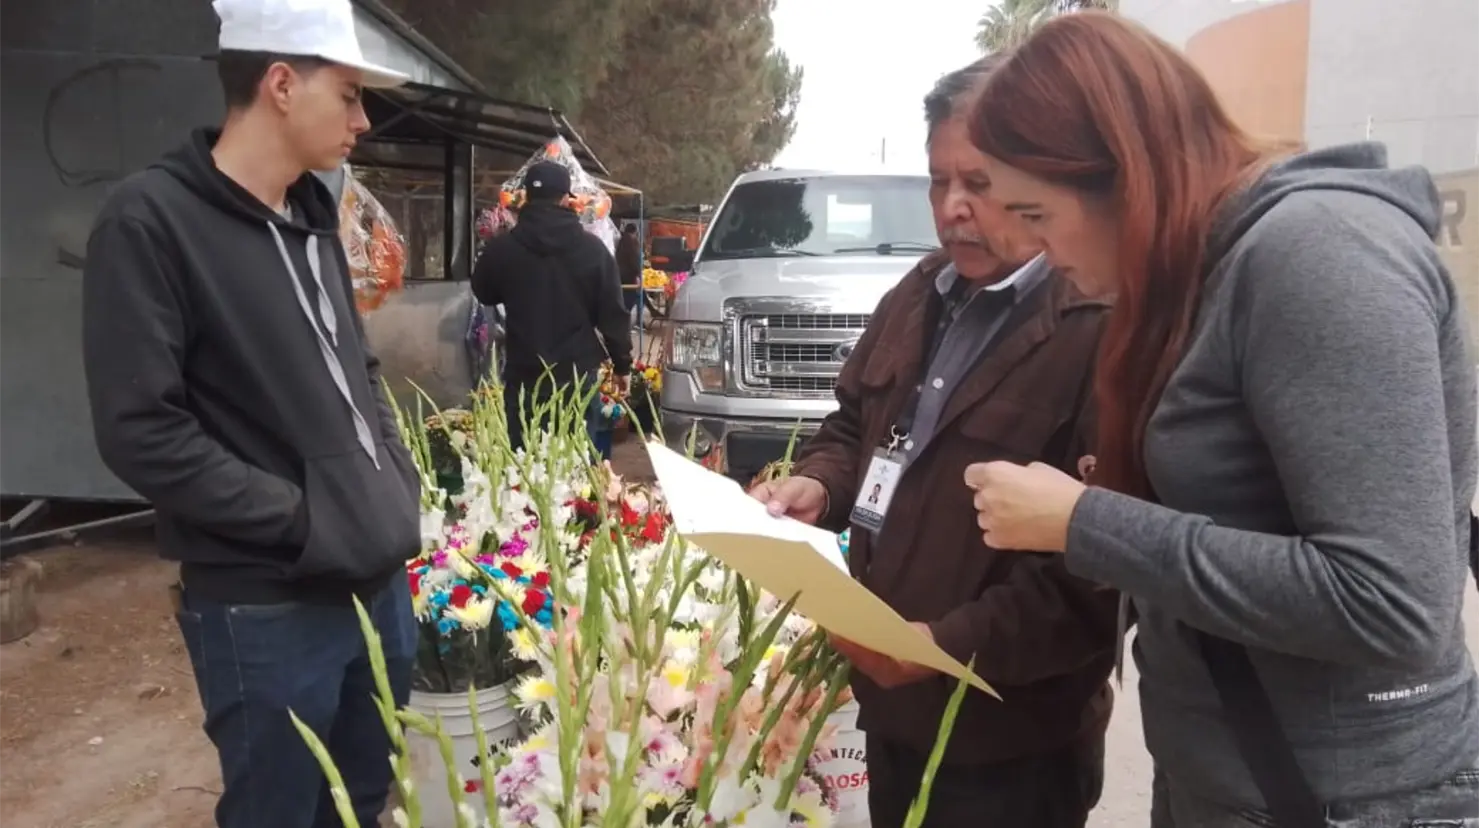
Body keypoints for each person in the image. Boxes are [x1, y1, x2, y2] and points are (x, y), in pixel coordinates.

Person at [963, 12, 1479, 828]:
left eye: (1035, 214)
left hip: (1345, 796)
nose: (1031, 247)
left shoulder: (1318, 252)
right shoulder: (1202, 269)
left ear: (1123, 173)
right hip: (1229, 775)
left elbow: (1392, 604)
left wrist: (1089, 525)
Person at [750, 57, 1119, 828]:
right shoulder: (920, 291)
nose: (952, 208)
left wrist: (941, 647)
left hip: (1008, 746)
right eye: (936, 180)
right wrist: (818, 484)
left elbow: (1099, 576)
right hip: (889, 711)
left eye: (978, 184)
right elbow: (853, 426)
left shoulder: (1097, 327)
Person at [80, 1, 420, 826]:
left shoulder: (312, 222)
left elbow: (359, 370)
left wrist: (391, 484)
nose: (362, 120)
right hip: (265, 605)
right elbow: (142, 430)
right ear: (278, 83)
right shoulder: (151, 221)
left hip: (376, 591)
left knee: (363, 804)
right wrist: (303, 520)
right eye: (347, 95)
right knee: (279, 812)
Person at [471, 161, 632, 449]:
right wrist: (622, 365)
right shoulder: (593, 250)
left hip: (524, 377)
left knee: (525, 467)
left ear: (527, 198)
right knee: (579, 469)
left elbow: (484, 292)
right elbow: (612, 313)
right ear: (565, 198)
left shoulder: (503, 249)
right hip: (576, 375)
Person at [616, 222, 644, 315]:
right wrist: (639, 274)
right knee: (634, 299)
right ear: (635, 232)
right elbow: (635, 261)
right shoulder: (632, 242)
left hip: (619, 276)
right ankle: (631, 321)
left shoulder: (620, 241)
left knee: (626, 300)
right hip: (630, 277)